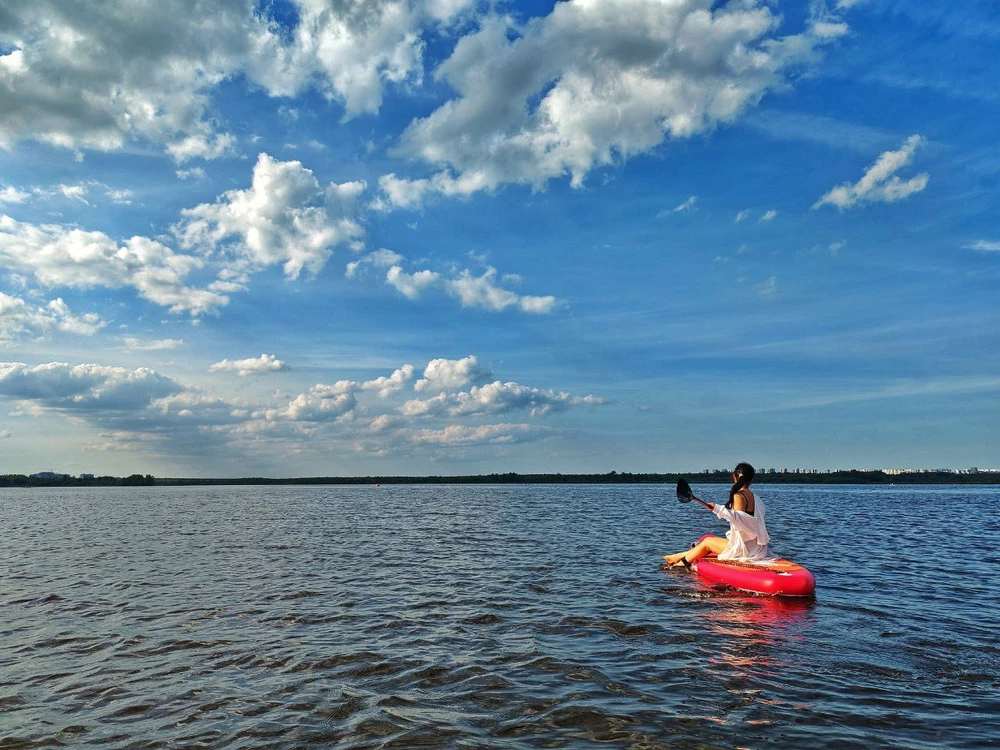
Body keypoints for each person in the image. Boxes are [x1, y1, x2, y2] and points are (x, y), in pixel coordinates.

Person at [663, 462, 772, 568]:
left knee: (707, 542)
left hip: (745, 550)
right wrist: (717, 509)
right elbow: (746, 520)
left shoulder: (739, 495)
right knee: (710, 538)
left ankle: (680, 565)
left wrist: (717, 508)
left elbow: (738, 519)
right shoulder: (757, 499)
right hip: (758, 549)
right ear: (752, 479)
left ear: (734, 477)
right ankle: (677, 556)